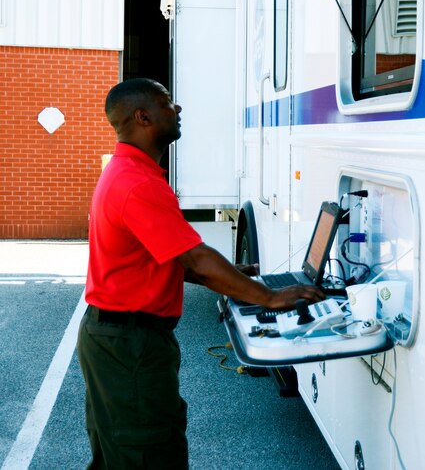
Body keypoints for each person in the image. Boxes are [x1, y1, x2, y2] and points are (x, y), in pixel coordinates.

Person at [77, 78, 324, 469]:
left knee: (120, 454)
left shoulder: (128, 172)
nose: (178, 109)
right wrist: (270, 297)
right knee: (148, 454)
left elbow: (164, 256)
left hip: (115, 339)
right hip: (130, 345)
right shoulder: (137, 183)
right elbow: (194, 259)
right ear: (143, 117)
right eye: (167, 103)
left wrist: (232, 274)